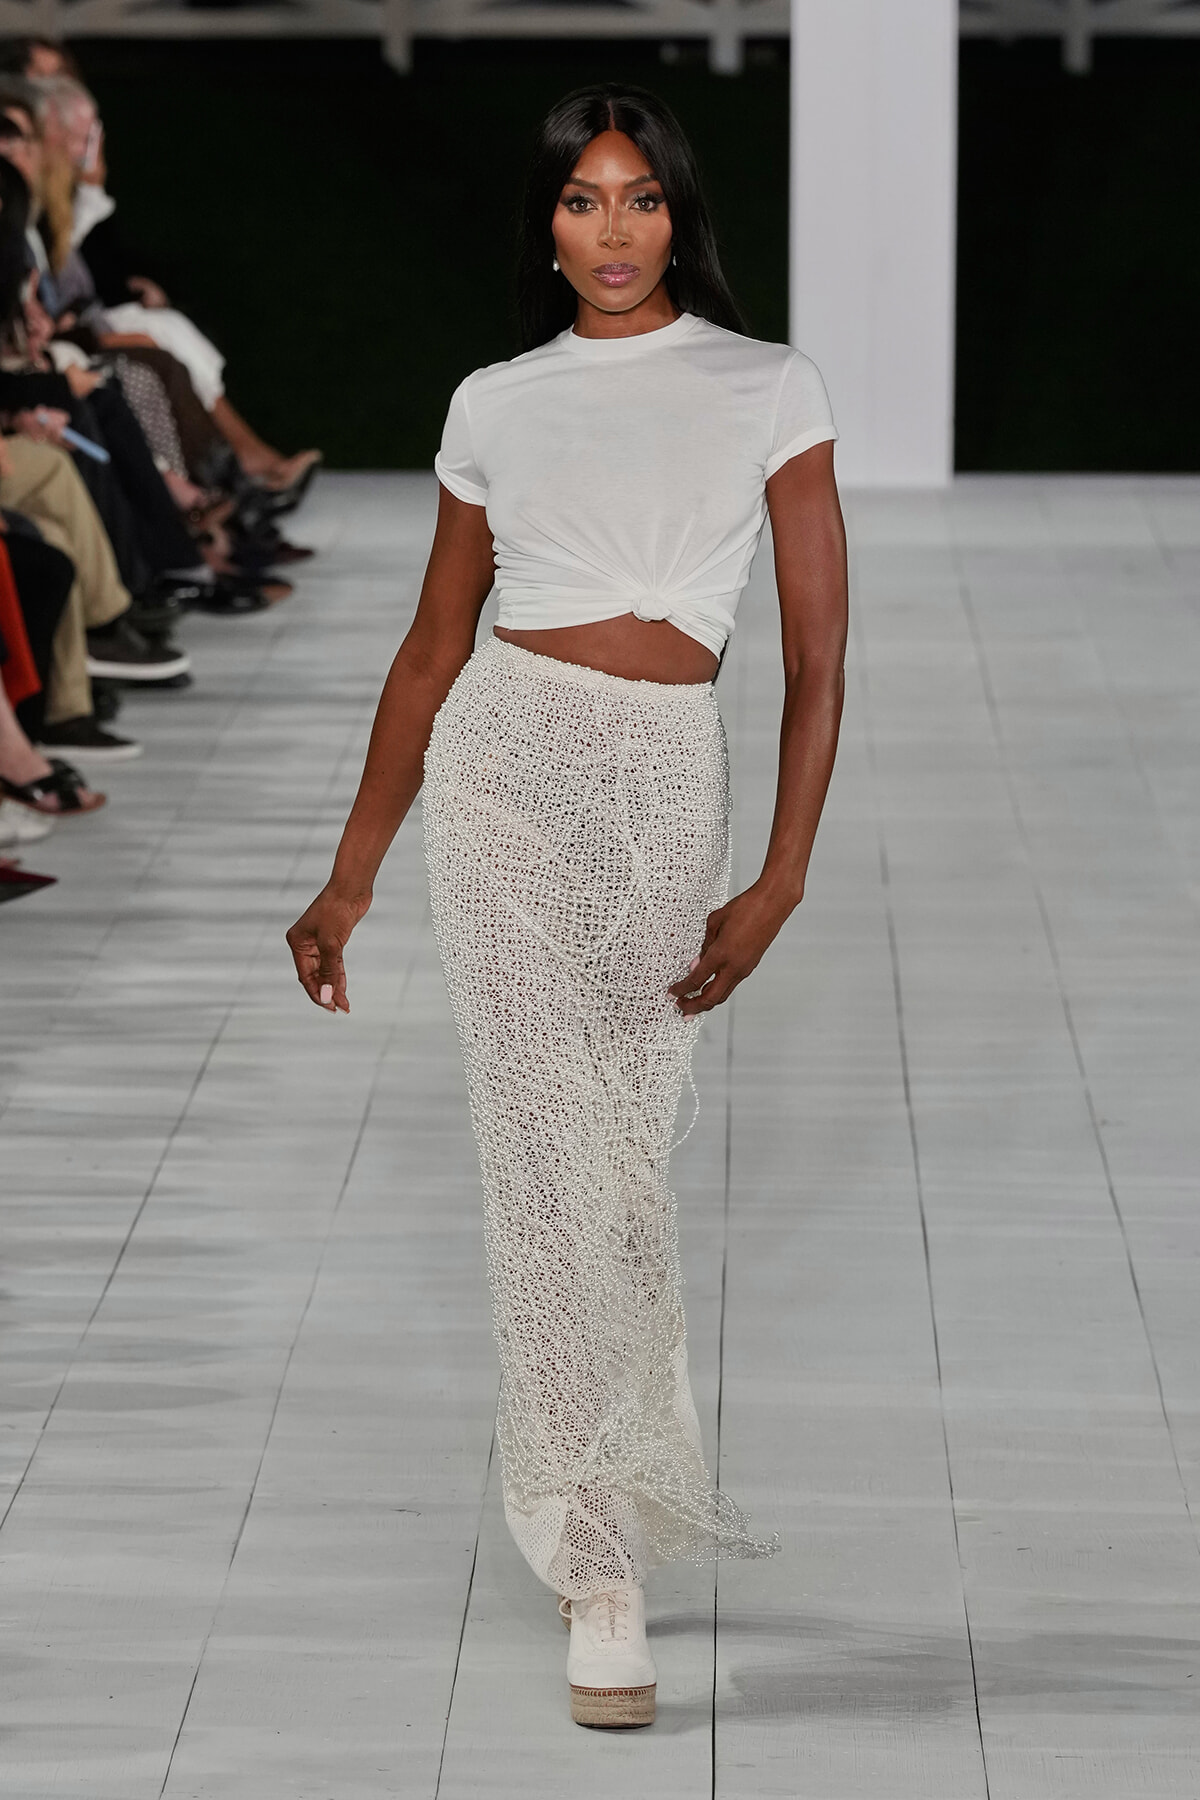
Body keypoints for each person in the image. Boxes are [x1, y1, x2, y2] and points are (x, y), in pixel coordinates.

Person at [286, 84, 848, 1731]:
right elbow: (431, 647)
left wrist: (784, 874)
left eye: (641, 199)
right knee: (541, 1171)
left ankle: (605, 1487)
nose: (613, 230)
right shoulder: (496, 400)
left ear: (680, 216)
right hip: (502, 776)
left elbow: (818, 660)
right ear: (545, 224)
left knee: (622, 1172)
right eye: (584, 200)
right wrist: (351, 873)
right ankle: (598, 1565)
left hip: (666, 784)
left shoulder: (768, 385)